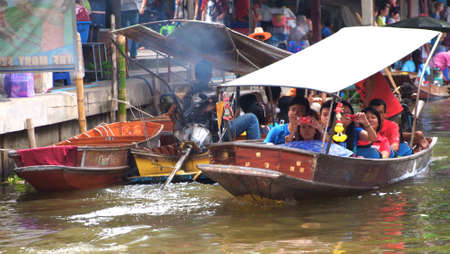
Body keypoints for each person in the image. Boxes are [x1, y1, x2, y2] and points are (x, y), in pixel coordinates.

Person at [183, 60, 261, 141]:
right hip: (216, 134)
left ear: (196, 75)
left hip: (199, 134)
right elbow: (228, 116)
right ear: (210, 75)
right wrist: (222, 105)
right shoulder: (217, 91)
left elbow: (185, 117)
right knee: (252, 118)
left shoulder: (188, 94)